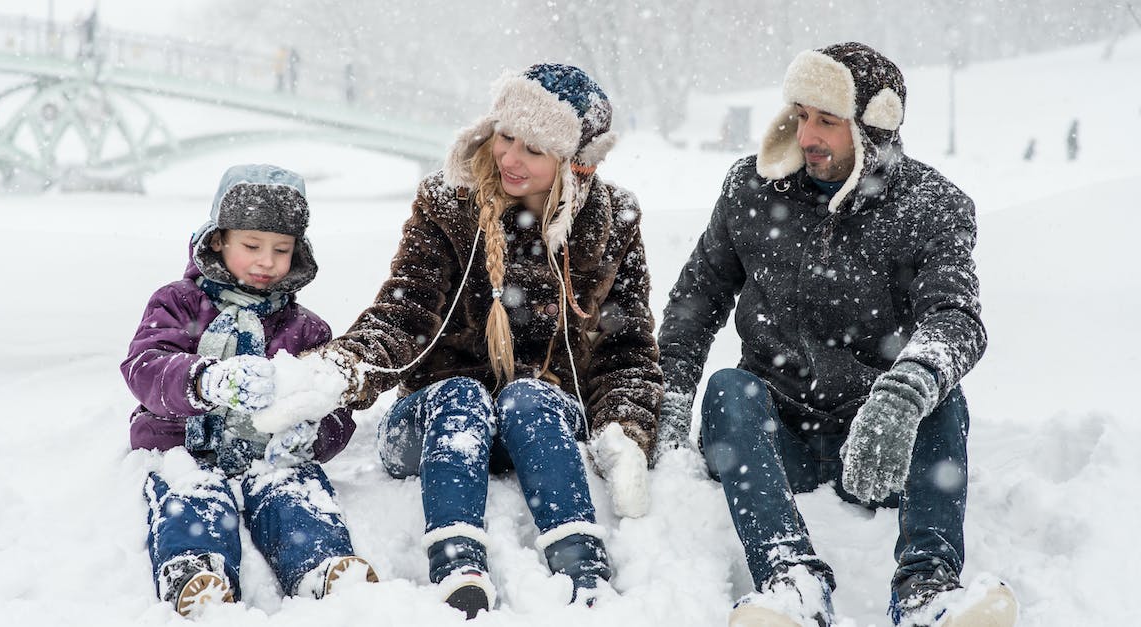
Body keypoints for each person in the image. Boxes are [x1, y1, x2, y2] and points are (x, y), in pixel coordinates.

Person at [656, 43, 1017, 627]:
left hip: (879, 445)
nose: (806, 136)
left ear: (873, 128)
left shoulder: (932, 206)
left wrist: (901, 397)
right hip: (774, 440)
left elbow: (956, 318)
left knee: (941, 392)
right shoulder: (751, 191)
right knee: (728, 387)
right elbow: (696, 302)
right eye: (800, 115)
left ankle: (927, 592)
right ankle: (791, 582)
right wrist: (668, 399)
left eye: (827, 120)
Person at [301, 63, 662, 618]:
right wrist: (341, 369)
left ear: (574, 164)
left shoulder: (614, 221)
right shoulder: (448, 203)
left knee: (532, 396)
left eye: (534, 150)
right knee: (461, 398)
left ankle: (582, 566)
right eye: (506, 136)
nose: (510, 158)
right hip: (434, 423)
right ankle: (457, 563)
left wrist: (625, 429)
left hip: (537, 429)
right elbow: (405, 312)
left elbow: (626, 347)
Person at [121, 164, 377, 617]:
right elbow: (145, 366)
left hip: (268, 455)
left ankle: (320, 564)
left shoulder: (306, 329)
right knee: (193, 494)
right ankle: (196, 569)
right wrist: (205, 379)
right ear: (218, 239)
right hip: (183, 446)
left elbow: (334, 406)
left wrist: (313, 434)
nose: (266, 261)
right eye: (252, 246)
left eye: (281, 249)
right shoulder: (178, 303)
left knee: (295, 492)